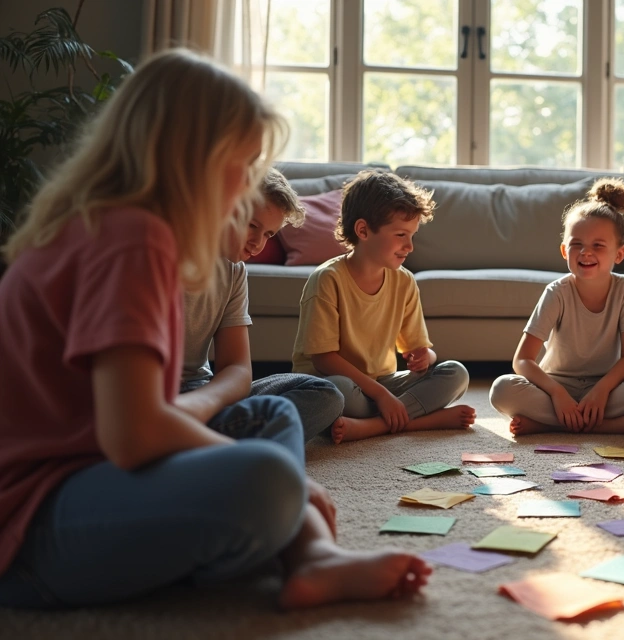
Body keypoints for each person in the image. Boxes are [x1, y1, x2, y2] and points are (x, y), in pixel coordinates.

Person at [0, 49, 430, 609]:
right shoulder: (132, 236)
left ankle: (308, 558)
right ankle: (290, 542)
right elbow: (134, 436)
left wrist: (189, 416)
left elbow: (147, 420)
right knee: (268, 477)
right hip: (37, 525)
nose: (249, 183)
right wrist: (293, 490)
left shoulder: (105, 220)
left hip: (93, 466)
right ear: (193, 155)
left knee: (271, 414)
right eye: (245, 163)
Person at [292, 170, 474, 443]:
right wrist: (383, 396)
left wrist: (426, 357)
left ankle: (372, 426)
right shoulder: (327, 279)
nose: (410, 246)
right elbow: (323, 359)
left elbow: (418, 350)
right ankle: (421, 419)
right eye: (401, 234)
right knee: (336, 392)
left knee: (455, 373)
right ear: (363, 230)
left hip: (381, 383)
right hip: (332, 382)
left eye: (412, 235)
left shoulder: (404, 281)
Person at [490, 178, 624, 436]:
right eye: (577, 245)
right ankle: (606, 426)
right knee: (502, 389)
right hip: (555, 386)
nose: (586, 253)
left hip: (606, 388)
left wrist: (602, 390)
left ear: (619, 254)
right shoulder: (557, 292)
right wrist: (557, 393)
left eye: (598, 245)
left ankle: (549, 425)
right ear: (564, 250)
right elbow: (522, 360)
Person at [178, 168, 344, 443]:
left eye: (268, 234)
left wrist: (201, 403)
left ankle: (199, 441)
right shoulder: (163, 256)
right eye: (252, 226)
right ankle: (221, 445)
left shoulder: (234, 272)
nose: (257, 243)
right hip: (153, 398)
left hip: (204, 396)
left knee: (324, 395)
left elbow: (238, 369)